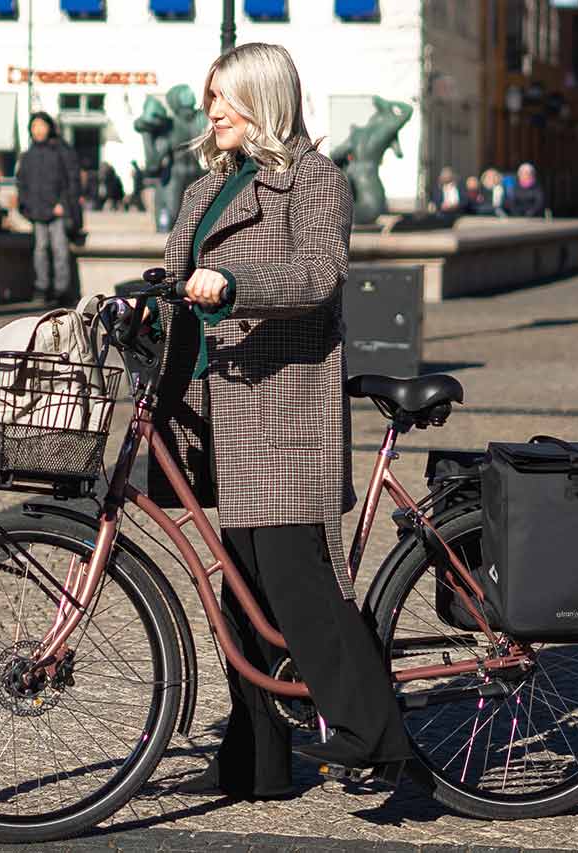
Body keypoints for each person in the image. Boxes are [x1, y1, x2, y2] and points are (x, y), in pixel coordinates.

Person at [152, 41, 413, 801]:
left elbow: (320, 271)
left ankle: (376, 736)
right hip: (224, 408)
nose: (213, 110)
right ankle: (257, 760)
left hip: (281, 405)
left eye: (226, 97)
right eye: (208, 98)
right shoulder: (210, 187)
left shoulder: (315, 180)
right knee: (246, 600)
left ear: (264, 97)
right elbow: (176, 277)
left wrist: (234, 282)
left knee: (299, 588)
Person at [16, 112, 81, 305]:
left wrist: (64, 203)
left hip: (58, 211)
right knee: (40, 250)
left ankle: (62, 290)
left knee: (60, 249)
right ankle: (42, 288)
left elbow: (72, 179)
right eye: (34, 126)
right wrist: (26, 207)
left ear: (49, 127)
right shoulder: (27, 156)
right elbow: (22, 183)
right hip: (37, 212)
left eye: (41, 125)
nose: (38, 130)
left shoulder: (61, 151)